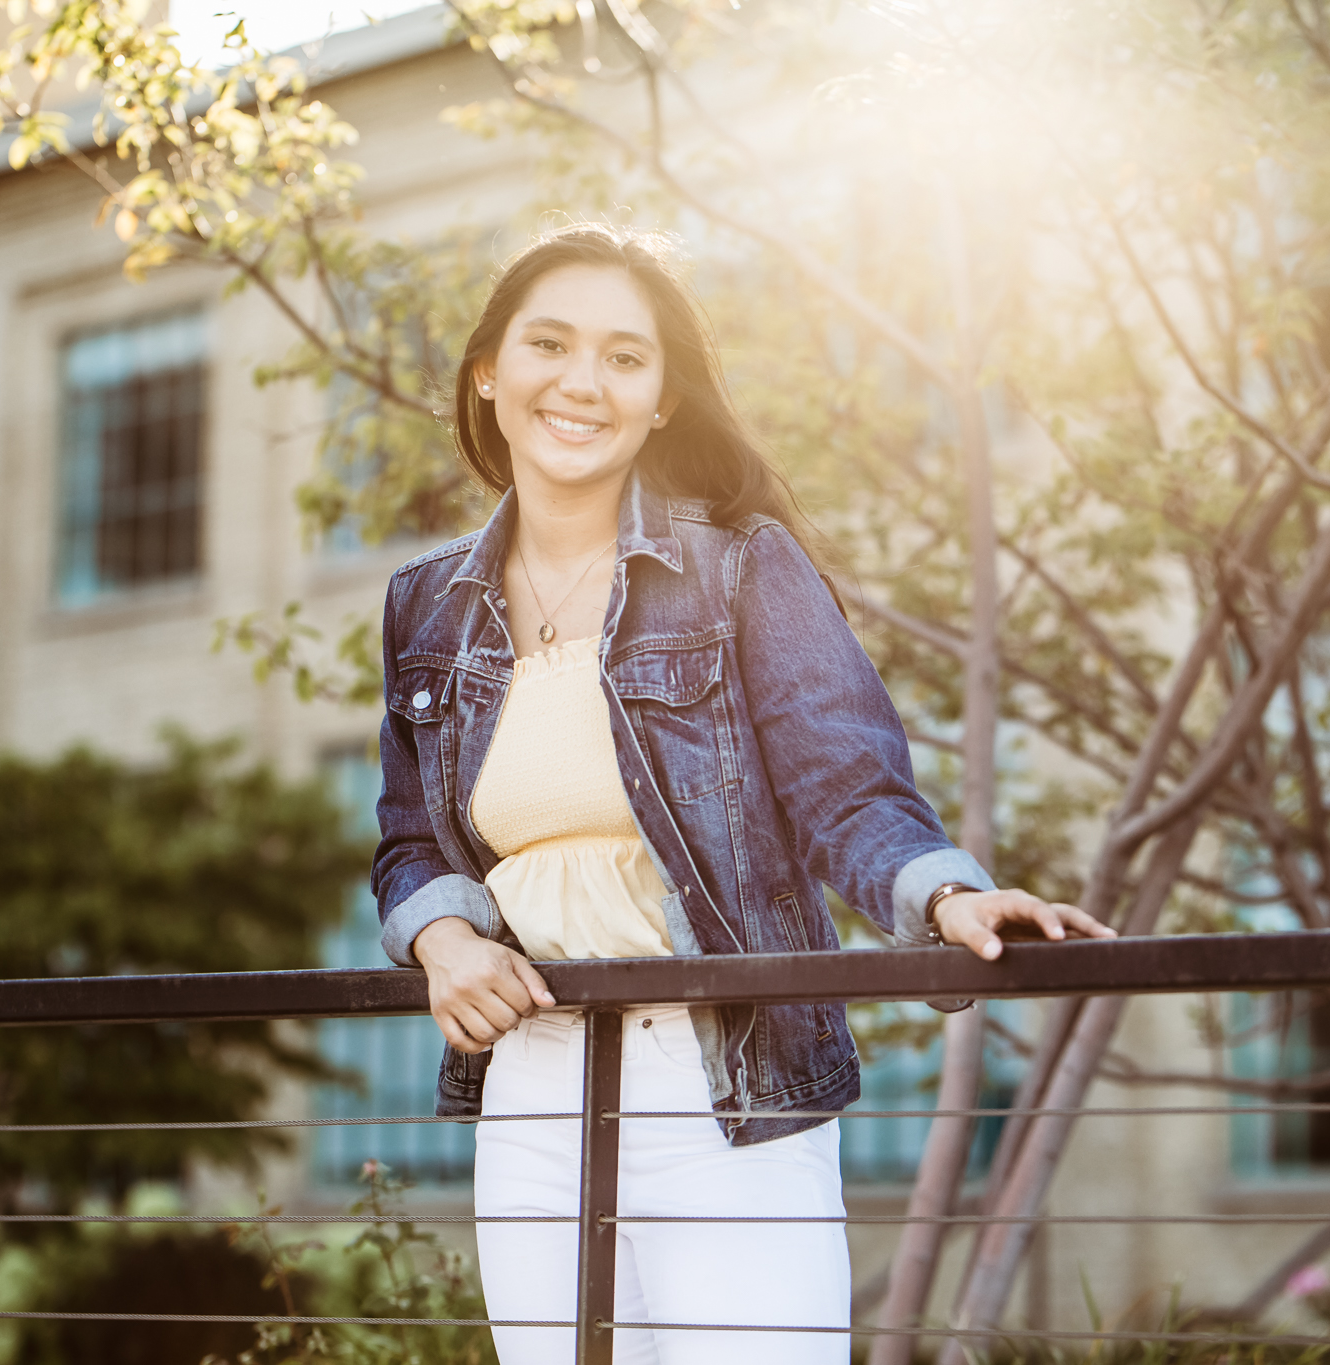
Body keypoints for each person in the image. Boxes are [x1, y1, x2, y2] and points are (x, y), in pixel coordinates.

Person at [371, 224, 1112, 1365]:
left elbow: (845, 792)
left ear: (662, 398)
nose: (582, 381)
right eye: (549, 344)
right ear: (488, 371)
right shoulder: (425, 607)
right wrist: (442, 944)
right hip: (530, 1084)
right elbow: (411, 843)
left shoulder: (736, 565)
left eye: (625, 357)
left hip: (723, 1075)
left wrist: (945, 898)